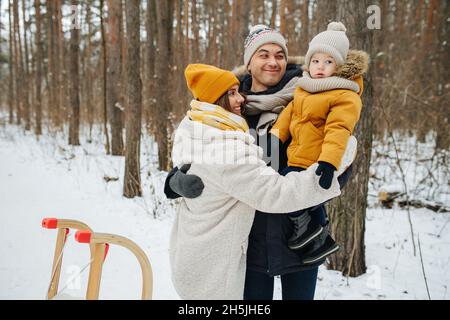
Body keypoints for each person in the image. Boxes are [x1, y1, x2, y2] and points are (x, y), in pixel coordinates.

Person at [165, 25, 356, 300]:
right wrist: (175, 179)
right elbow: (199, 147)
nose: (273, 61)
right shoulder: (227, 104)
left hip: (300, 235)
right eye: (263, 54)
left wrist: (325, 183)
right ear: (249, 62)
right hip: (248, 240)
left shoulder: (312, 97)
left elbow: (340, 152)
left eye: (279, 55)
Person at [268, 21, 369, 265]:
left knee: (289, 193)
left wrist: (328, 162)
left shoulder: (345, 95)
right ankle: (317, 237)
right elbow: (286, 118)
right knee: (288, 190)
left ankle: (308, 229)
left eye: (328, 62)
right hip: (295, 157)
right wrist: (270, 141)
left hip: (314, 161)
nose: (320, 67)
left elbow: (339, 130)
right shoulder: (303, 89)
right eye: (315, 61)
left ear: (340, 66)